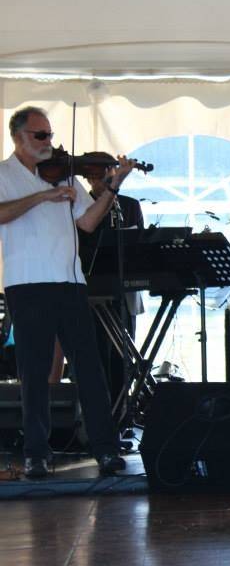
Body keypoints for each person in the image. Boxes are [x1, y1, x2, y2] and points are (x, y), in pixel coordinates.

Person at [0, 106, 133, 479]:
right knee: (35, 370)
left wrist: (112, 187)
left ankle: (104, 450)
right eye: (40, 136)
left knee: (89, 369)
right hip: (27, 283)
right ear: (18, 137)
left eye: (50, 135)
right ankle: (36, 454)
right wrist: (42, 198)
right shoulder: (4, 174)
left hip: (70, 283)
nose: (49, 143)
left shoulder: (66, 177)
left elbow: (89, 222)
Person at [77, 170, 145, 404]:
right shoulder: (81, 205)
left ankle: (124, 408)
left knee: (124, 354)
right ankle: (102, 412)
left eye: (108, 176)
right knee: (96, 353)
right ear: (89, 179)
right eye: (98, 177)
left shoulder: (129, 205)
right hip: (94, 288)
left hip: (125, 289)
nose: (102, 181)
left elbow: (140, 244)